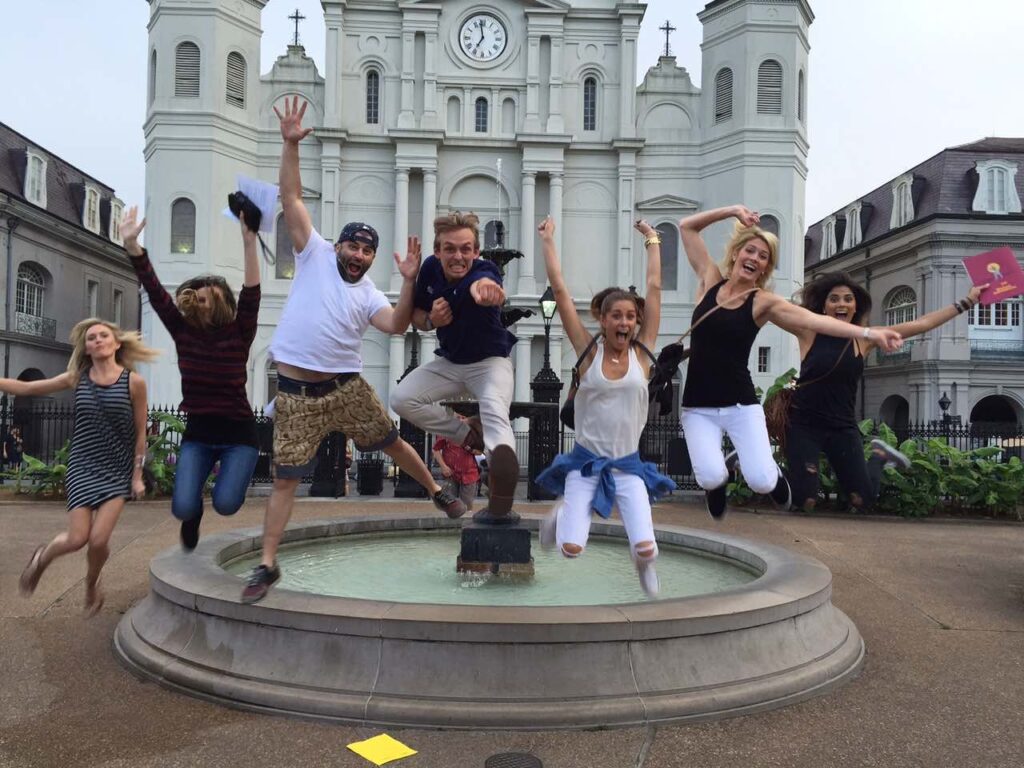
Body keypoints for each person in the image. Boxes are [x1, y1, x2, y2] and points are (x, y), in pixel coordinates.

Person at [241, 97, 465, 604]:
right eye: (353, 247)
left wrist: (409, 281)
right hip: (297, 395)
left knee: (391, 440)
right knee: (284, 482)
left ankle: (436, 492)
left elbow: (397, 325)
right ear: (339, 245)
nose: (359, 256)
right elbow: (292, 195)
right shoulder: (312, 253)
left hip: (346, 387)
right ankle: (267, 563)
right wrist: (290, 143)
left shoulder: (369, 294)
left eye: (367, 250)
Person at [678, 205, 904, 519]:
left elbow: (816, 322)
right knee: (710, 477)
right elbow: (687, 226)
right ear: (736, 253)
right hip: (697, 407)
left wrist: (868, 332)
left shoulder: (763, 301)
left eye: (763, 256)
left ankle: (775, 481)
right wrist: (732, 212)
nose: (754, 258)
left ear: (765, 268)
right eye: (750, 250)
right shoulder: (709, 280)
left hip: (740, 406)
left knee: (760, 480)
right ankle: (717, 484)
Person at [534, 216, 675, 597]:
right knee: (570, 550)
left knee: (646, 547)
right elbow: (561, 293)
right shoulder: (588, 353)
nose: (625, 322)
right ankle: (561, 517)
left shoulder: (642, 356)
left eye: (631, 316)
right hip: (585, 464)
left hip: (628, 466)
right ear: (603, 319)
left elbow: (656, 288)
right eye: (617, 315)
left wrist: (653, 240)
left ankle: (643, 564)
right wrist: (547, 241)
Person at [120, 207, 261, 551]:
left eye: (207, 295)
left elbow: (252, 292)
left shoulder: (239, 331)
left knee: (227, 505)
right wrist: (132, 246)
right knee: (183, 506)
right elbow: (156, 293)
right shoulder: (183, 331)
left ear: (222, 300)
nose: (200, 299)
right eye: (197, 296)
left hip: (239, 435)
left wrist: (249, 240)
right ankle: (193, 516)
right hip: (199, 434)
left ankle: (223, 490)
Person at [786, 271, 986, 511]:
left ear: (855, 306)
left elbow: (922, 324)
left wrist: (967, 302)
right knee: (805, 499)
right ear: (824, 305)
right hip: (805, 424)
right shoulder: (809, 332)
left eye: (848, 299)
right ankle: (759, 467)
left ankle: (879, 456)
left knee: (863, 500)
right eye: (834, 298)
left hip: (842, 426)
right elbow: (770, 310)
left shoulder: (864, 339)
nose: (842, 304)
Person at [6, 319, 157, 614]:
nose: (97, 340)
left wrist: (137, 475)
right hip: (82, 465)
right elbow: (28, 387)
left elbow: (141, 433)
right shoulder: (77, 378)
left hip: (116, 469)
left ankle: (91, 582)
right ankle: (42, 558)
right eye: (91, 338)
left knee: (99, 540)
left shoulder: (134, 382)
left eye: (103, 336)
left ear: (116, 344)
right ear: (86, 348)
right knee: (78, 539)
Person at [390, 210, 520, 519]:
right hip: (450, 362)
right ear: (438, 251)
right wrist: (431, 318)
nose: (458, 256)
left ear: (476, 252)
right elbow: (417, 318)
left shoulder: (484, 270)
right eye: (450, 248)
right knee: (401, 398)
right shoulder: (431, 270)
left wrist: (486, 292)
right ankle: (467, 435)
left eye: (466, 249)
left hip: (489, 363)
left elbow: (485, 285)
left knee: (493, 408)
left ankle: (501, 477)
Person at [432, 416, 482, 512]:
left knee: (467, 505)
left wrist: (470, 449)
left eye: (463, 418)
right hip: (451, 473)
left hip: (469, 473)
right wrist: (443, 466)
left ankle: (465, 523)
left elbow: (479, 451)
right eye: (459, 417)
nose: (461, 420)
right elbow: (436, 449)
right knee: (449, 503)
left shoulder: (473, 432)